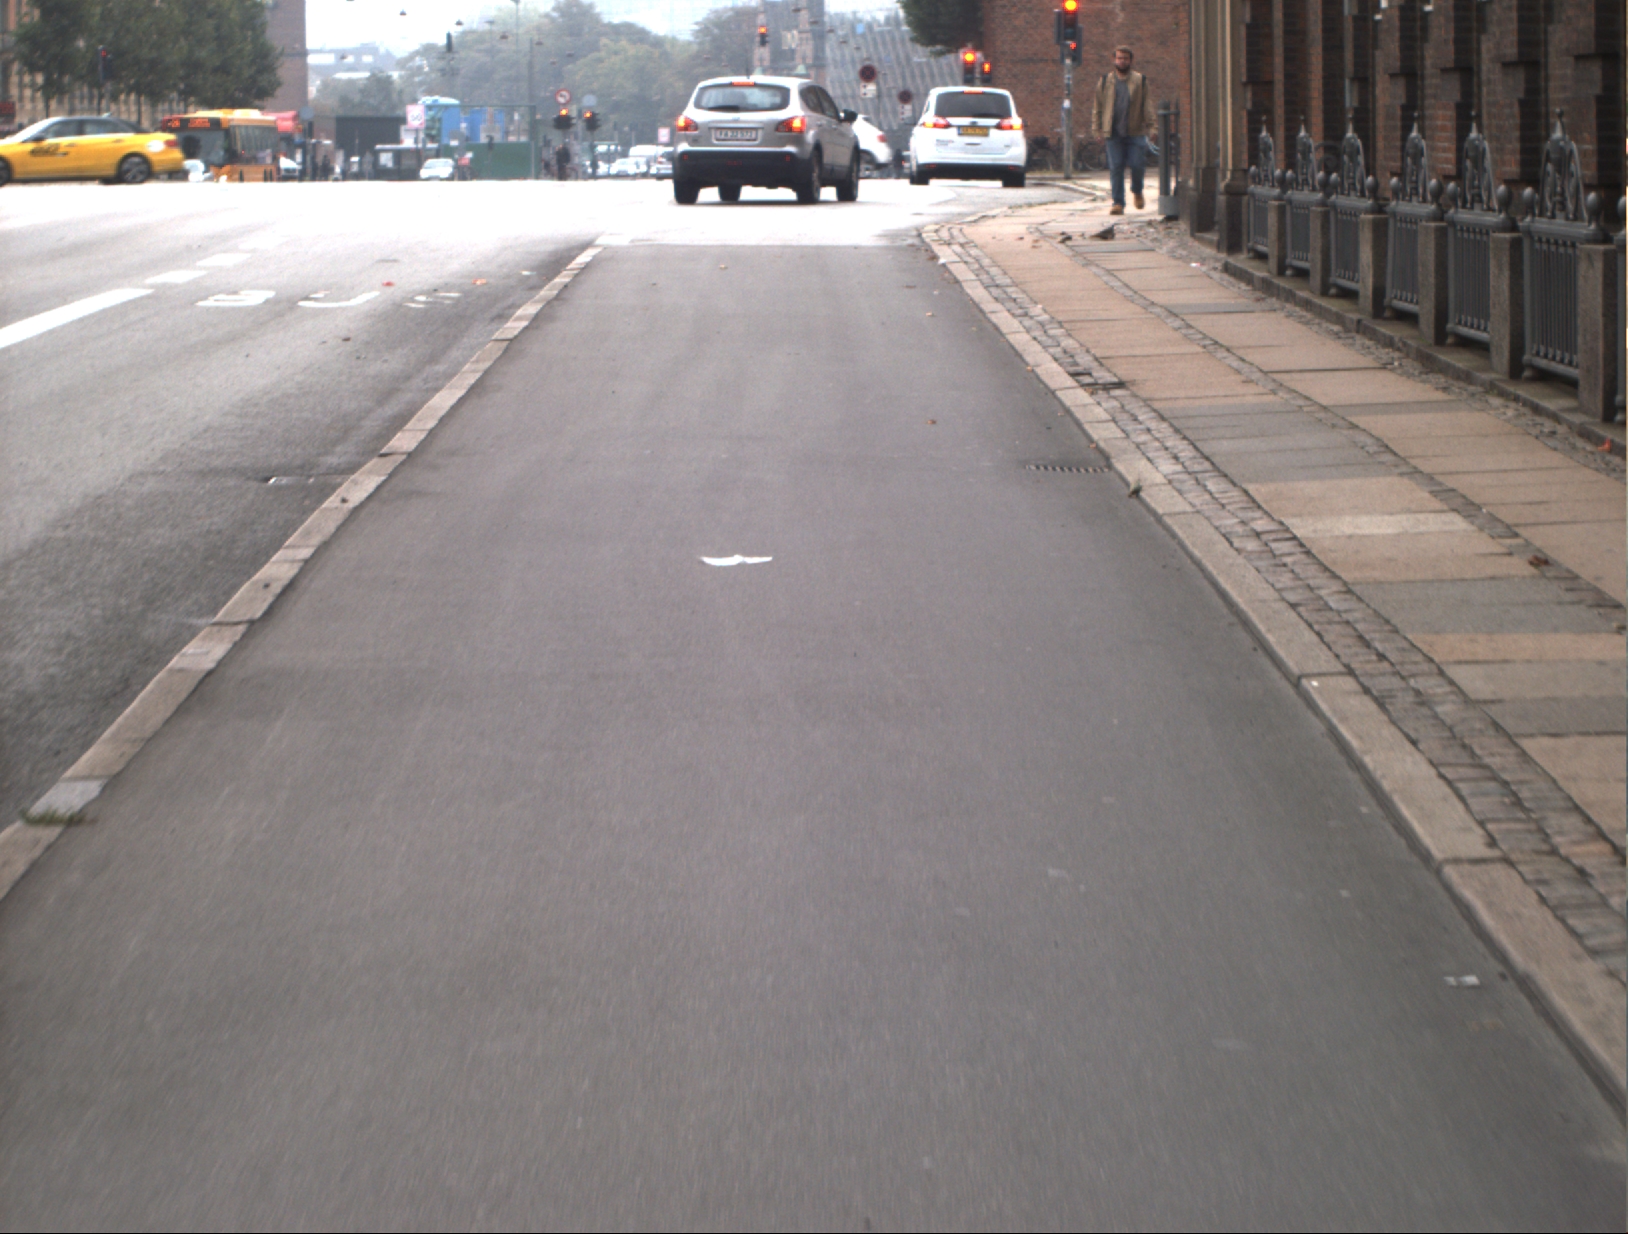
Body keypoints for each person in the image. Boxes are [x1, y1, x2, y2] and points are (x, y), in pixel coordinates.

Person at [1091, 45, 1156, 216]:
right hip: (1113, 132)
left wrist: (1152, 126)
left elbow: (1147, 105)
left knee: (1137, 164)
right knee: (1116, 167)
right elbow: (1098, 107)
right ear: (1114, 60)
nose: (1122, 61)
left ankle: (1137, 190)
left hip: (1135, 131)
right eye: (1119, 58)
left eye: (1125, 58)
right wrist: (1097, 130)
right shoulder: (1105, 81)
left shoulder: (1140, 81)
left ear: (1131, 60)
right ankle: (1118, 202)